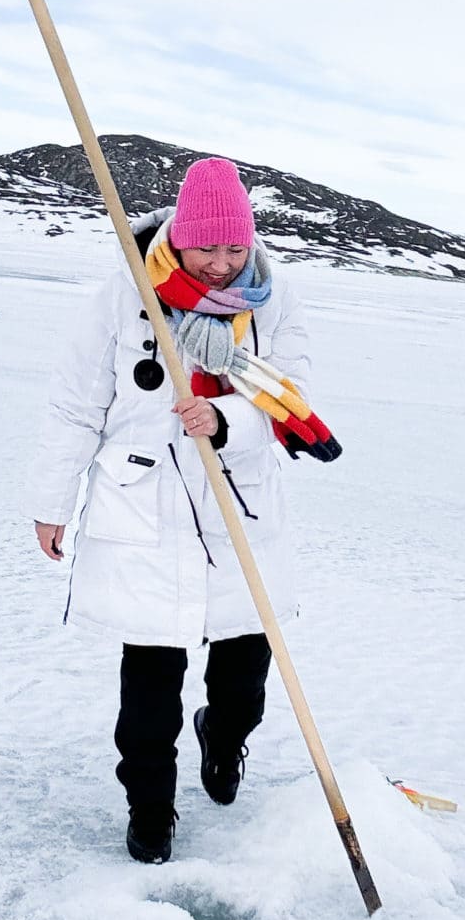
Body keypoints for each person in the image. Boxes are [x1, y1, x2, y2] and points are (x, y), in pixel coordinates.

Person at [32, 157, 341, 864]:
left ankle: (225, 737)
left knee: (244, 678)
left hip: (241, 508)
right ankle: (150, 806)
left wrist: (228, 416)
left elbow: (291, 390)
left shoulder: (274, 297)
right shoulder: (125, 294)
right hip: (147, 510)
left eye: (236, 249)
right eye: (209, 249)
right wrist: (53, 502)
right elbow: (77, 405)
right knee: (148, 689)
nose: (224, 265)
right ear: (180, 236)